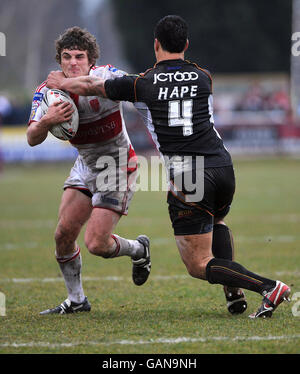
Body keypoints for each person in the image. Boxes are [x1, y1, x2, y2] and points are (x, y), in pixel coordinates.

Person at [46, 17, 291, 318]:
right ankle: (233, 293)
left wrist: (61, 83)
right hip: (223, 166)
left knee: (198, 264)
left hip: (190, 176)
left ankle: (269, 287)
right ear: (186, 45)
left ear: (155, 45)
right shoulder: (204, 76)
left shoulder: (143, 84)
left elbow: (91, 85)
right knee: (218, 222)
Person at [27, 26, 151, 315]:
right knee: (62, 235)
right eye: (67, 57)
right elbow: (32, 137)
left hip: (117, 166)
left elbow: (139, 87)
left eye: (79, 57)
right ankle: (77, 300)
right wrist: (47, 121)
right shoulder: (48, 93)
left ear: (91, 60)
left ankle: (139, 250)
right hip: (85, 166)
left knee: (96, 243)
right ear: (59, 60)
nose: (72, 63)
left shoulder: (107, 77)